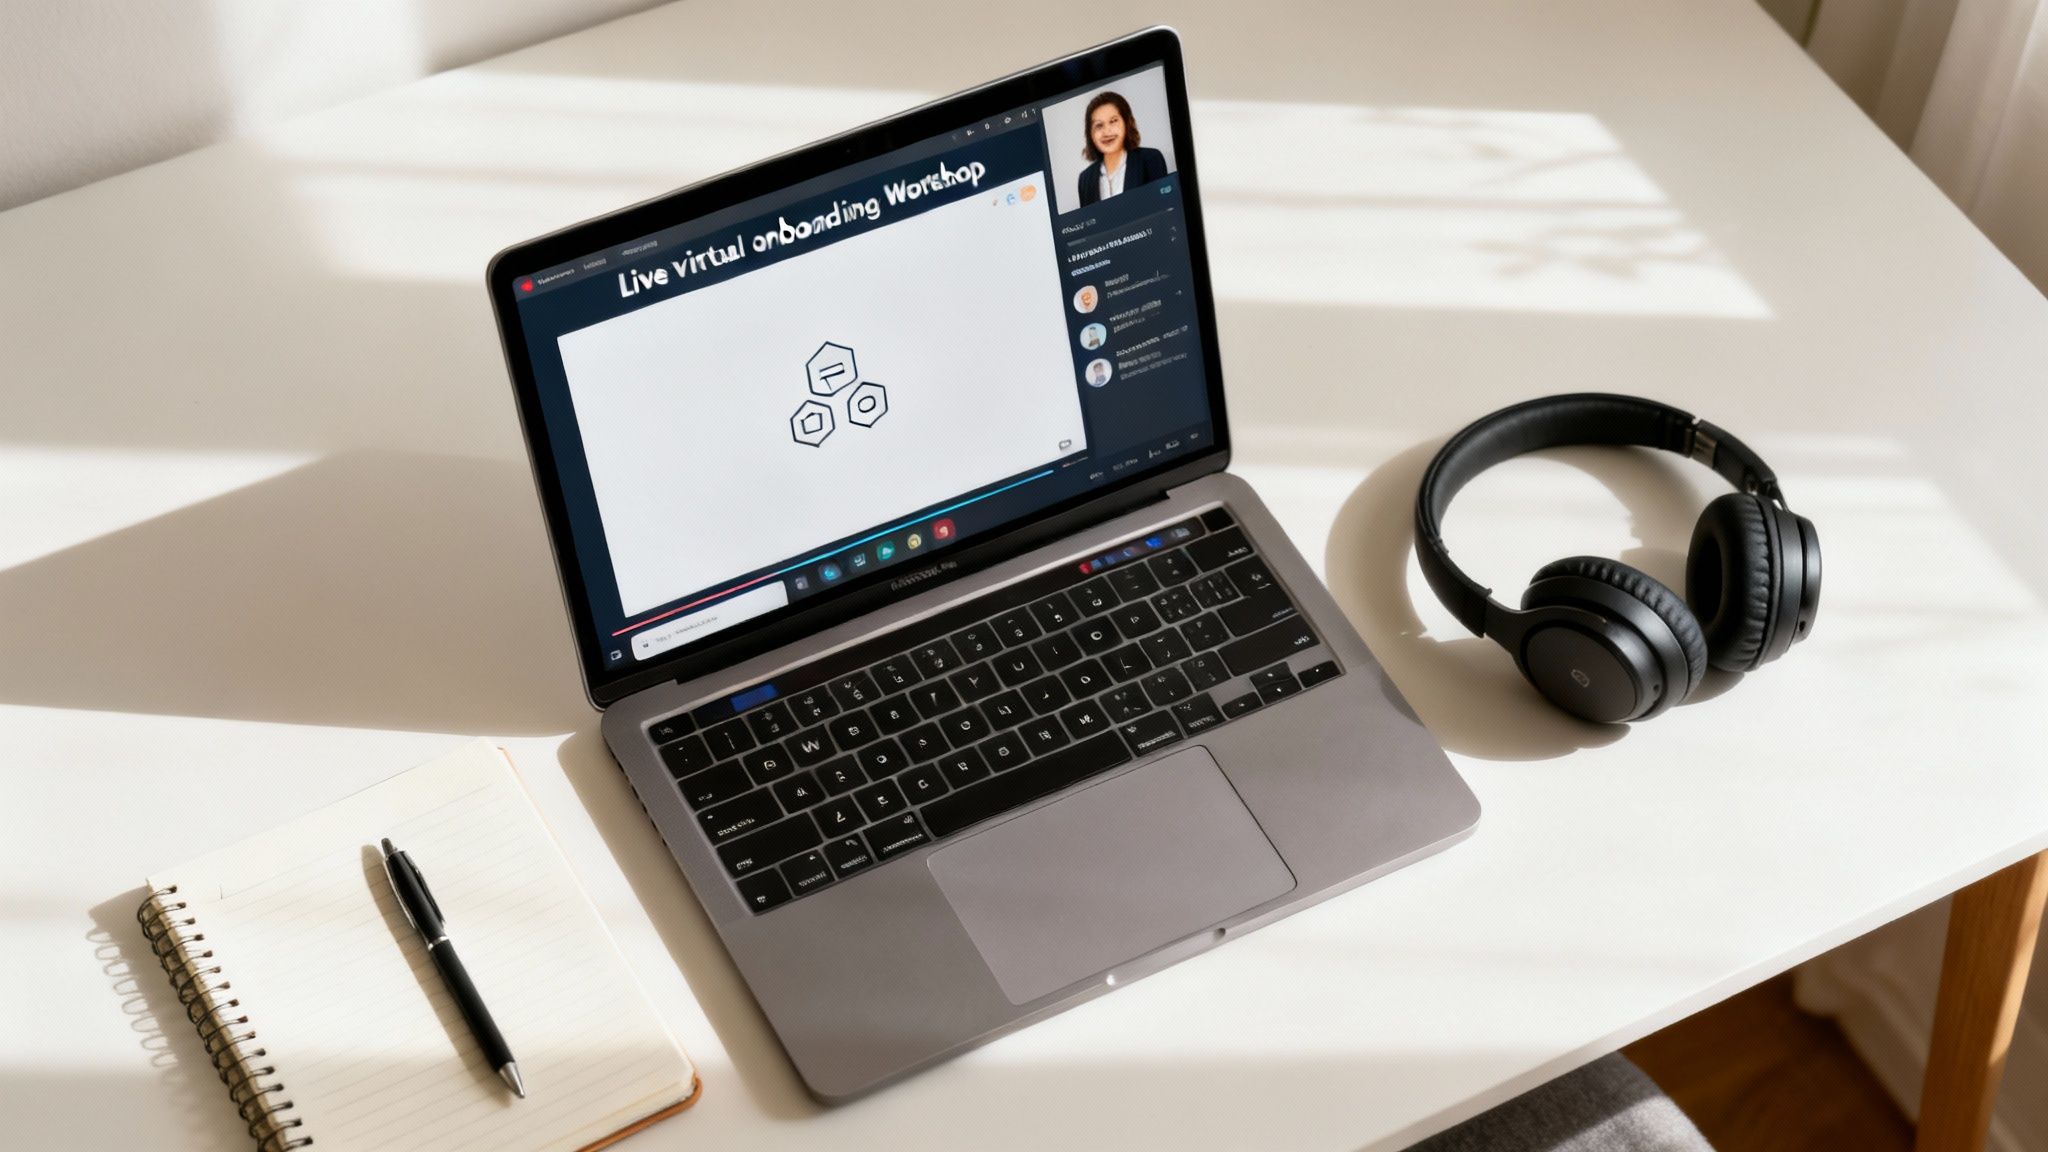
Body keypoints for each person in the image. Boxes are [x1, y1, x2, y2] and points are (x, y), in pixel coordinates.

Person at [1076, 91, 1169, 207]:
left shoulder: (1150, 160)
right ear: (1091, 134)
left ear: (1126, 123)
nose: (1107, 131)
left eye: (1113, 121)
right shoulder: (1085, 179)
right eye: (1099, 125)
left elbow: (1165, 209)